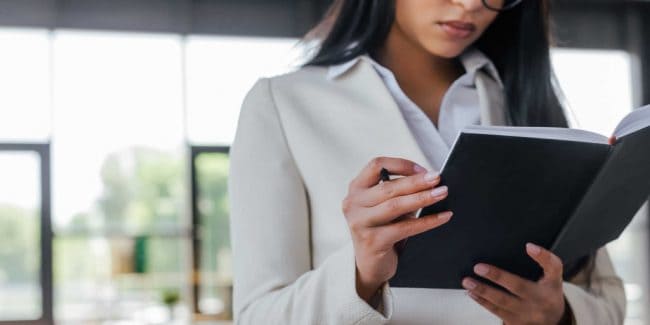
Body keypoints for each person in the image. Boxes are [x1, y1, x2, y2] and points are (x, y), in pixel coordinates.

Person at [228, 0, 627, 324]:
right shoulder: (283, 105)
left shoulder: (532, 112)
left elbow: (607, 301)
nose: (472, 5)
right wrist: (361, 274)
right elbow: (258, 315)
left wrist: (558, 315)